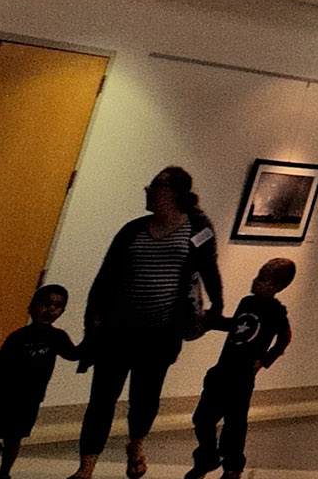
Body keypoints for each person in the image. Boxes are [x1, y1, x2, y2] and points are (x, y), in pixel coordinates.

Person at [75, 167, 223, 479]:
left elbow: (209, 268)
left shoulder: (197, 228)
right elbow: (106, 276)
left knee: (144, 397)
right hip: (118, 330)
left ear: (174, 192)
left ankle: (136, 443)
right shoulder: (132, 230)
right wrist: (93, 320)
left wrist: (217, 307)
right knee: (102, 399)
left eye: (154, 186)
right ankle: (86, 467)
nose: (148, 191)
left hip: (161, 332)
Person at [185, 258, 294, 479]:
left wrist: (264, 360)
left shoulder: (276, 311)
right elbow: (236, 325)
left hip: (242, 375)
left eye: (262, 279)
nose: (255, 281)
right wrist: (211, 322)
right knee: (202, 418)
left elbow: (285, 336)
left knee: (234, 424)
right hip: (223, 369)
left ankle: (233, 467)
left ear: (275, 287)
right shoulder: (246, 302)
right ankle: (207, 456)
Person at [0, 285, 77, 479]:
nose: (50, 310)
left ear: (62, 311)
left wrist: (93, 337)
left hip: (30, 398)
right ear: (32, 307)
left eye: (57, 306)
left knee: (14, 437)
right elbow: (1, 363)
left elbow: (72, 354)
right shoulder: (18, 337)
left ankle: (4, 472)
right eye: (45, 304)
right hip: (4, 395)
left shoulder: (57, 337)